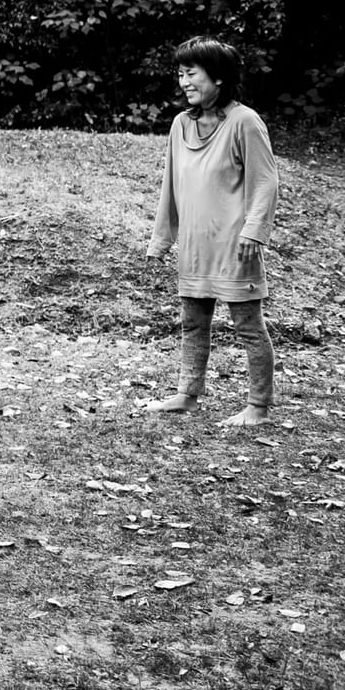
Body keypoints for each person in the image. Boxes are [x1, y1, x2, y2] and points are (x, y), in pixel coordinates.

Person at [143, 36, 280, 427]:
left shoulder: (245, 122)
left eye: (191, 73)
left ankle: (258, 406)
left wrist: (255, 230)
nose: (184, 81)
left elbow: (265, 181)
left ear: (218, 77)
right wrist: (161, 241)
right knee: (192, 322)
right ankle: (187, 395)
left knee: (248, 327)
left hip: (236, 247)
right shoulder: (179, 125)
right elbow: (170, 185)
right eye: (180, 73)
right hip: (195, 246)